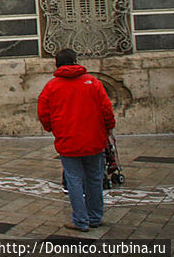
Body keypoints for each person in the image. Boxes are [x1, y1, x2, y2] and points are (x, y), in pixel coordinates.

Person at [38, 48, 115, 232]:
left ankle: (80, 220)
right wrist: (108, 127)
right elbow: (106, 109)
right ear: (75, 61)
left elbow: (43, 113)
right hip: (94, 139)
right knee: (95, 178)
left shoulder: (52, 86)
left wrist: (52, 128)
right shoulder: (93, 83)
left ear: (57, 64)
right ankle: (95, 216)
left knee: (74, 180)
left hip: (68, 140)